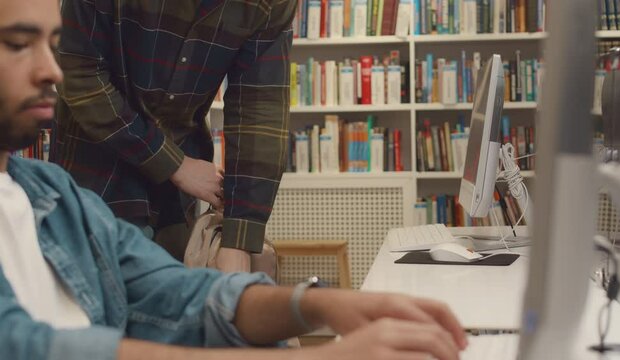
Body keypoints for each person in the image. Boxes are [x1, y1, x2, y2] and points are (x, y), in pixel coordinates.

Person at [0, 0, 468, 359]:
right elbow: (40, 347)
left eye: (53, 42)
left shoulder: (54, 201)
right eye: (20, 43)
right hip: (97, 168)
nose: (51, 70)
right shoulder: (69, 196)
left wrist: (317, 306)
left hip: (154, 195)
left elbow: (170, 296)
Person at [51, 0, 295, 269]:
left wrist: (237, 241)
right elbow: (78, 73)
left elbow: (261, 110)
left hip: (174, 201)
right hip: (94, 174)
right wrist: (174, 164)